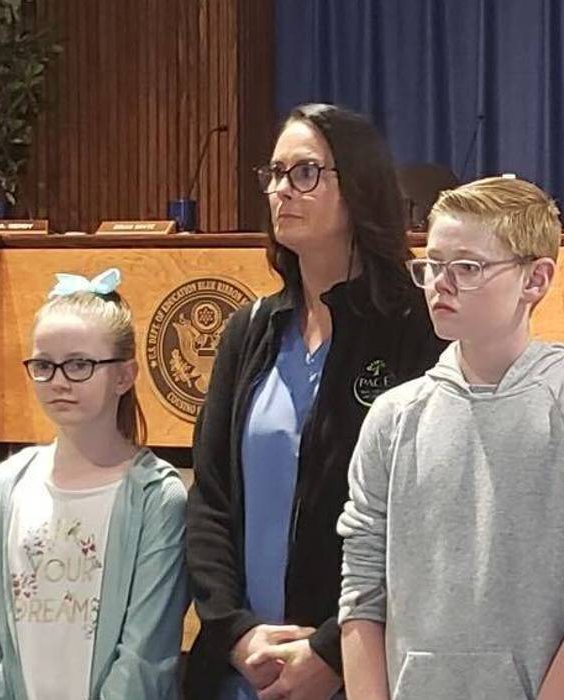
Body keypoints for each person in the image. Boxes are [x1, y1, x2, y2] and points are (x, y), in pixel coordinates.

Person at [334, 177, 564, 699]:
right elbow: (361, 591)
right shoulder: (392, 418)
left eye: (468, 267)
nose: (440, 283)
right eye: (432, 264)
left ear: (536, 280)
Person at [184, 103, 446, 700]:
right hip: (243, 669)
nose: (283, 190)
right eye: (275, 174)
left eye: (305, 173)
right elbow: (211, 499)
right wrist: (234, 631)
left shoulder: (417, 328)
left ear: (357, 185)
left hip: (358, 667)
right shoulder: (250, 330)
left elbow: (424, 520)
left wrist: (331, 650)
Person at [0, 268, 188, 699]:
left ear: (124, 376)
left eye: (80, 365)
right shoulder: (2, 487)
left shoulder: (156, 496)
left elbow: (146, 653)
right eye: (44, 365)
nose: (60, 381)